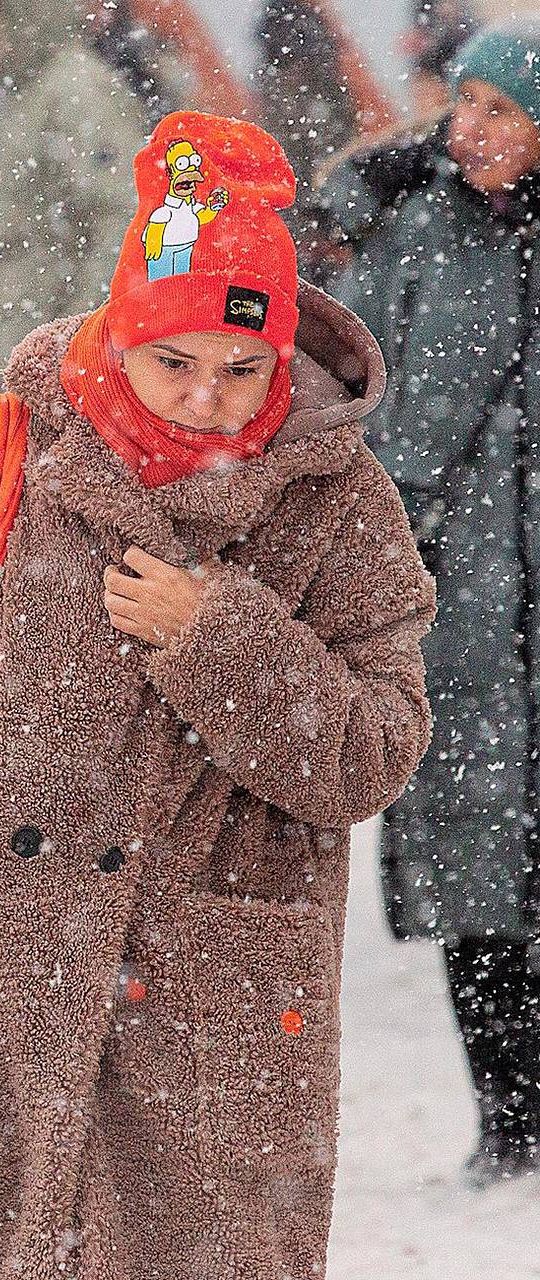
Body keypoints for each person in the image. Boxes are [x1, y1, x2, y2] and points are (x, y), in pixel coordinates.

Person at [0, 110, 433, 1279]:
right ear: (116, 333)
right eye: (173, 361)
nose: (206, 400)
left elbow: (372, 750)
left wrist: (220, 640)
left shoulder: (341, 507)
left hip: (219, 1010)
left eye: (243, 370)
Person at [316, 19, 540, 1185]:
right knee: (472, 870)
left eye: (499, 111)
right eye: (461, 106)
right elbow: (348, 399)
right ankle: (505, 1117)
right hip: (451, 607)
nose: (468, 130)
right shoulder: (409, 229)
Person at [0, 0, 176, 389]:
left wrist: (73, 346)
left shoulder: (75, 91)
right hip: (30, 355)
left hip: (61, 370)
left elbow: (124, 224)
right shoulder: (33, 93)